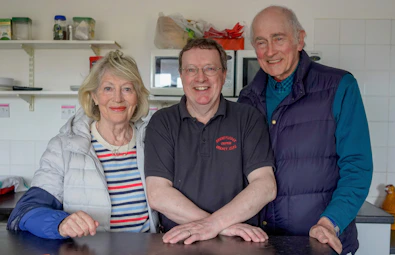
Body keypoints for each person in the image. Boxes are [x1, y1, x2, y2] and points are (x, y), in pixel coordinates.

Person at [238, 5, 373, 255]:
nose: (270, 51)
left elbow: (357, 167)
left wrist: (329, 223)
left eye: (278, 38)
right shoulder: (247, 98)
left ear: (300, 39)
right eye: (261, 42)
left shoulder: (339, 87)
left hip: (318, 243)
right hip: (259, 244)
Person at [7, 50, 158, 239]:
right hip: (87, 251)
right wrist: (60, 222)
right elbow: (25, 211)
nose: (118, 98)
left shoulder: (153, 142)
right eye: (108, 88)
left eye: (127, 89)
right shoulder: (64, 147)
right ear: (94, 96)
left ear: (137, 97)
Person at [144, 38, 277, 245]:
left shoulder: (249, 118)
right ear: (181, 76)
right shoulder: (162, 122)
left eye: (210, 69)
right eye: (191, 70)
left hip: (240, 244)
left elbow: (265, 185)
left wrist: (214, 225)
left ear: (224, 74)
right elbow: (158, 194)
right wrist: (220, 225)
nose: (200, 78)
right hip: (180, 242)